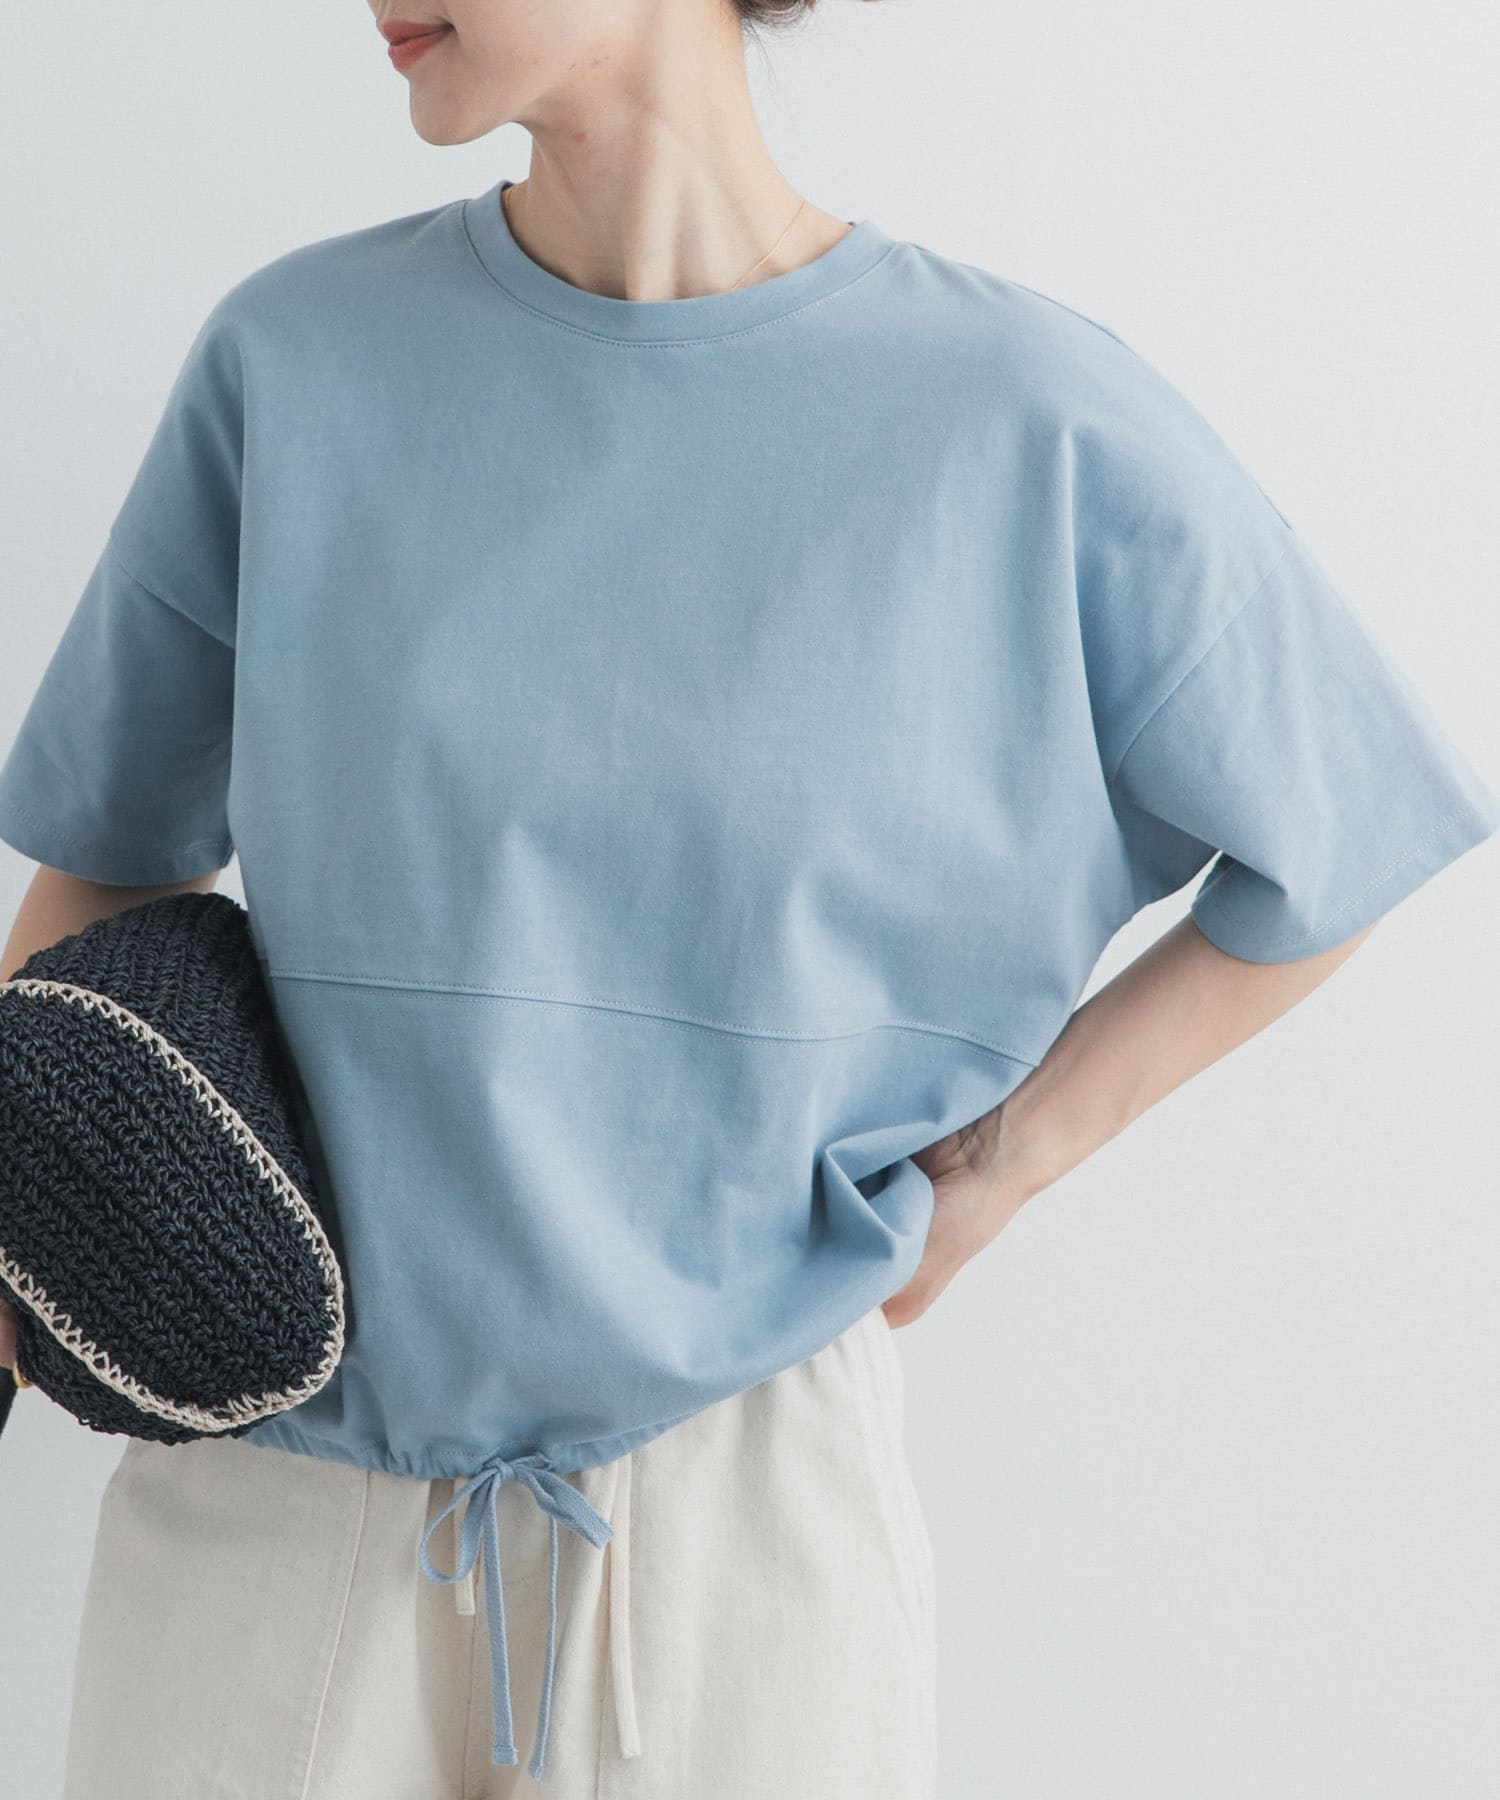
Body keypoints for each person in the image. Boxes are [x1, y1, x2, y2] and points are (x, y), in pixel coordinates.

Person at [2, 1, 1497, 1794]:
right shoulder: (293, 363)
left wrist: (1008, 1165)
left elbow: (1335, 831)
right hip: (265, 1526)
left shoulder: (1018, 418)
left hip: (742, 1544)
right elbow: (104, 860)